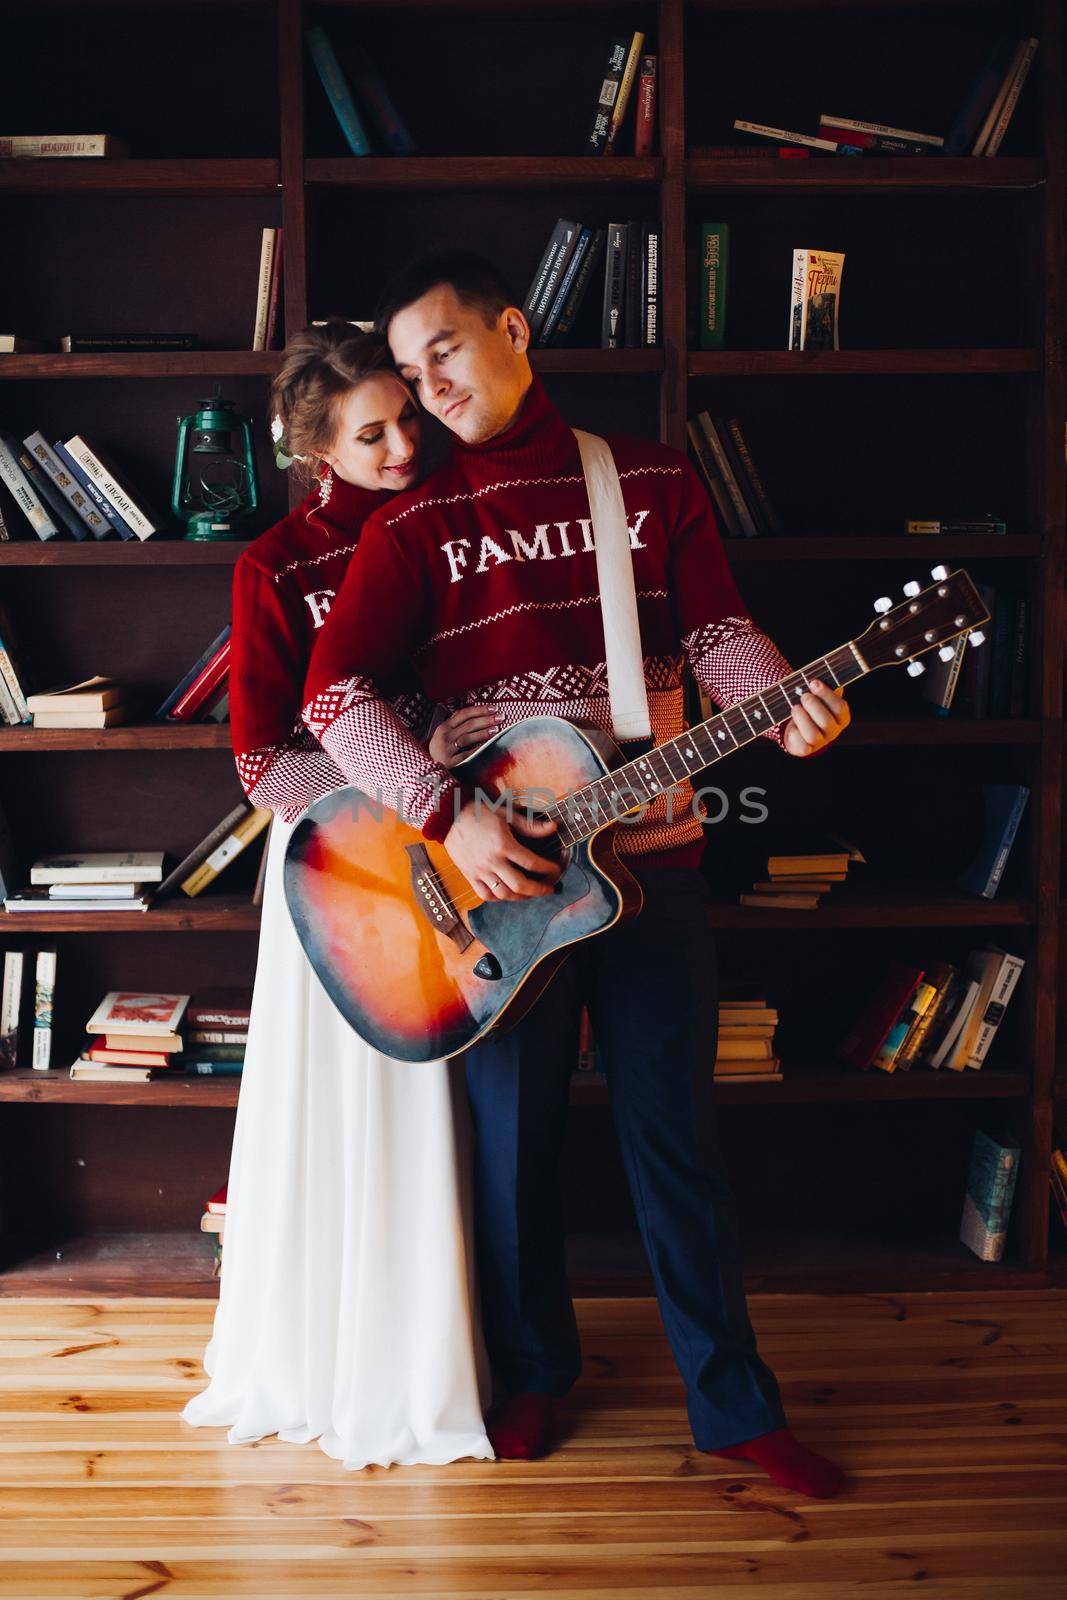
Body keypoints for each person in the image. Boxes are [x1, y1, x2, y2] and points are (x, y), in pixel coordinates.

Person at [300, 256, 852, 1498]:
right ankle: (531, 1373)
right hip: (495, 889)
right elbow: (330, 697)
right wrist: (449, 818)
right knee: (513, 1148)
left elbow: (715, 631)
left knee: (679, 1142)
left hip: (655, 860)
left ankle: (733, 1408)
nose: (428, 383)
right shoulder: (411, 524)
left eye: (444, 349)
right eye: (408, 367)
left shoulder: (648, 477)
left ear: (512, 328)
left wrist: (781, 712)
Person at [181, 320, 496, 1470]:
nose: (406, 445)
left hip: (472, 839)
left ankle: (436, 1353)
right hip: (343, 864)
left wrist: (464, 754)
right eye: (372, 434)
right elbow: (264, 757)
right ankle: (327, 1351)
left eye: (409, 416)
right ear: (317, 450)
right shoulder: (275, 563)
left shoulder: (461, 515)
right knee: (347, 1100)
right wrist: (400, 789)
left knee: (447, 1112)